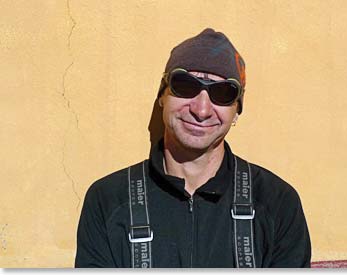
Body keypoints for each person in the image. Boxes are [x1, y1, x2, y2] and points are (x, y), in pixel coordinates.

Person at [75, 28, 311, 268]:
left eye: (222, 93)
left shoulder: (277, 203)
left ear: (237, 111)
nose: (201, 110)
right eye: (186, 86)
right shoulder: (108, 200)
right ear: (162, 96)